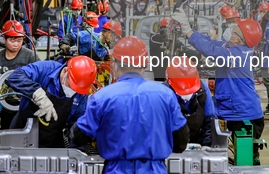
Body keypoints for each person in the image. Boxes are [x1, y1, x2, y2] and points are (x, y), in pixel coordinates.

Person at [71, 36, 189, 173]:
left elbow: (77, 137)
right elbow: (181, 142)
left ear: (114, 66)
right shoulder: (166, 96)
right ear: (144, 66)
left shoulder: (102, 98)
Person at [171, 8, 265, 165]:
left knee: (246, 160)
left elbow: (211, 50)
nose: (230, 30)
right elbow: (211, 43)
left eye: (234, 30)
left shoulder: (237, 55)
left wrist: (187, 30)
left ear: (239, 40)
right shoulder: (233, 48)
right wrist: (188, 32)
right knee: (239, 156)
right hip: (240, 110)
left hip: (244, 114)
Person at [6, 55, 97, 148]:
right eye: (72, 85)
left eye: (78, 89)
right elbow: (14, 77)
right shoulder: (46, 69)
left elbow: (75, 124)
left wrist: (77, 152)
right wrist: (37, 94)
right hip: (22, 132)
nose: (74, 91)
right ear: (66, 71)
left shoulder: (81, 93)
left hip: (51, 141)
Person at [0, 20, 40, 129]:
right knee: (7, 137)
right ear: (4, 38)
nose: (16, 44)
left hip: (27, 107)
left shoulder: (30, 56)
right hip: (7, 108)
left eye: (19, 40)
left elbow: (41, 76)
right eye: (12, 40)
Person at [165, 57, 216, 146]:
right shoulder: (163, 94)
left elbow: (210, 123)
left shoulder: (203, 91)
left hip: (196, 145)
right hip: (170, 147)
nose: (187, 94)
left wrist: (205, 149)